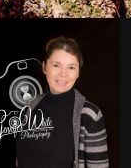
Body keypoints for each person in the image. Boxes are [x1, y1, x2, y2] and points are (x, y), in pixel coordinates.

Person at [16, 37, 109, 168]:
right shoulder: (30, 107)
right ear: (44, 67)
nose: (63, 74)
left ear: (78, 72)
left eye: (71, 67)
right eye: (56, 65)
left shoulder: (90, 115)